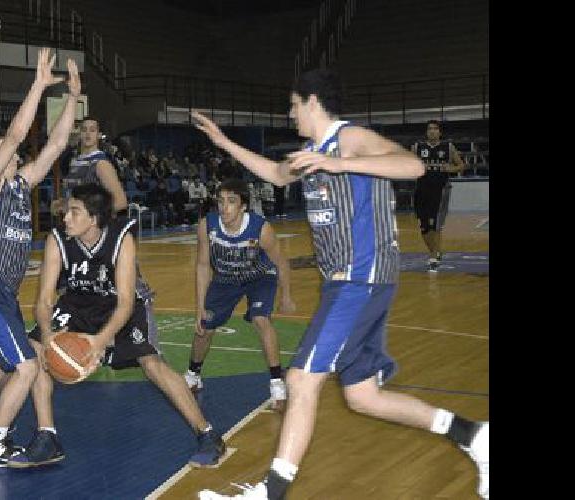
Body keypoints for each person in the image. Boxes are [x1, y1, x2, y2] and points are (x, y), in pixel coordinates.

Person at [191, 68, 488, 499]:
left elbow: (413, 165)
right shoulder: (311, 151)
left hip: (360, 277)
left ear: (312, 100)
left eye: (293, 105)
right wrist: (223, 142)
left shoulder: (347, 139)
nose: (290, 113)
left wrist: (338, 162)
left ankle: (269, 494)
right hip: (345, 284)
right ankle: (474, 435)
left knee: (301, 381)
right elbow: (276, 174)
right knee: (364, 397)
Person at [7, 183, 227, 469]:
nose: (66, 218)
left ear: (94, 218)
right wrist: (49, 336)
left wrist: (98, 342)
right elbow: (45, 300)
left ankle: (208, 434)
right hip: (77, 302)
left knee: (152, 363)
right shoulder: (57, 239)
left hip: (122, 303)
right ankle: (47, 437)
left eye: (74, 212)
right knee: (36, 348)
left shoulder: (122, 238)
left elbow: (125, 302)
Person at [0, 48, 82, 469]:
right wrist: (38, 86)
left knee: (17, 357)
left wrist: (71, 101)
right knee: (26, 368)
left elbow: (59, 143)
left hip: (3, 292)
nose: (10, 155)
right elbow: (14, 136)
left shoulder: (20, 186)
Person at [186, 179, 296, 411]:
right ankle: (193, 375)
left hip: (259, 277)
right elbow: (203, 265)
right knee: (204, 325)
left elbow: (281, 262)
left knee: (260, 319)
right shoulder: (208, 225)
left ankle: (277, 383)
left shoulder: (260, 229)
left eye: (232, 201)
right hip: (225, 279)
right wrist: (199, 308)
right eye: (221, 201)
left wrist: (286, 295)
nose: (224, 207)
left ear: (243, 206)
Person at [411, 120, 466, 272]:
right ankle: (434, 252)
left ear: (440, 132)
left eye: (435, 129)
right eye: (430, 129)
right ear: (426, 132)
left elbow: (461, 165)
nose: (432, 131)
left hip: (440, 190)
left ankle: (433, 257)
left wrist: (451, 168)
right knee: (423, 226)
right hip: (421, 190)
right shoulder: (417, 147)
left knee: (435, 224)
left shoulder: (448, 147)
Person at [51, 116, 128, 217]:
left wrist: (93, 218)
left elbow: (121, 202)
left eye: (92, 130)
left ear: (99, 135)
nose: (88, 133)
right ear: (79, 134)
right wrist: (64, 204)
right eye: (84, 130)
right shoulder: (74, 161)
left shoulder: (101, 164)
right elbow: (78, 198)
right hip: (74, 225)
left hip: (92, 228)